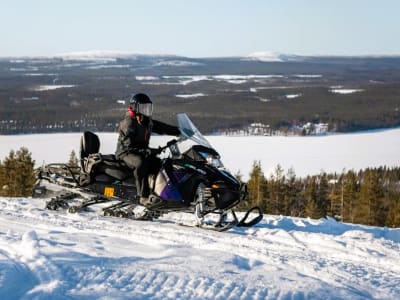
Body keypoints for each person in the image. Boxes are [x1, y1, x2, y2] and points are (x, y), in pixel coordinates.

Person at [115, 93, 180, 207]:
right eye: (144, 107)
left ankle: (160, 193)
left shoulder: (146, 121)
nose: (146, 110)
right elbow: (128, 146)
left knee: (159, 163)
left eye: (148, 107)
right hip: (126, 153)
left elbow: (161, 127)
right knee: (141, 163)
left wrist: (178, 131)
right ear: (136, 108)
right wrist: (147, 151)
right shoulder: (129, 123)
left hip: (141, 151)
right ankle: (143, 196)